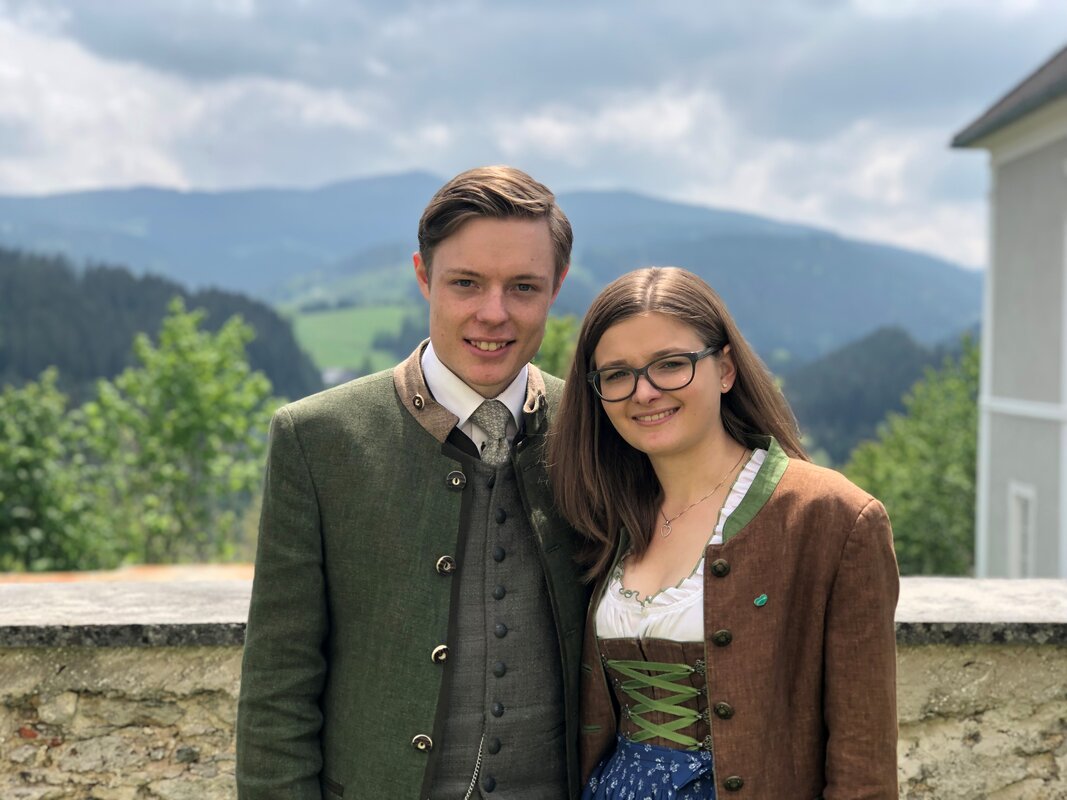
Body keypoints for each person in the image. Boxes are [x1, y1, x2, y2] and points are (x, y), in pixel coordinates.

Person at [236, 166, 590, 799]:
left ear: (557, 286)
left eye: (523, 287)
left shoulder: (596, 431)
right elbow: (278, 686)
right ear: (423, 276)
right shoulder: (317, 438)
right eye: (466, 283)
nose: (493, 313)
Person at [548, 267, 899, 799]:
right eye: (617, 374)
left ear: (725, 370)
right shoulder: (603, 516)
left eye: (671, 364)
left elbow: (864, 764)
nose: (644, 392)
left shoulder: (831, 516)